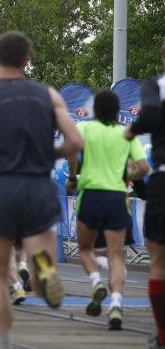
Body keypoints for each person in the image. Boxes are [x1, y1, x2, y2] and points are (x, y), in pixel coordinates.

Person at [0, 31, 83, 349]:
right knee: (39, 258)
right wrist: (45, 153)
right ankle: (43, 267)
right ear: (27, 60)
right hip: (38, 186)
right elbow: (76, 142)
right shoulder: (49, 95)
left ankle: (3, 342)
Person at [66, 90, 148, 330]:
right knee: (116, 257)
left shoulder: (84, 128)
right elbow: (143, 168)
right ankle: (116, 304)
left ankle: (96, 283)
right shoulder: (127, 135)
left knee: (83, 249)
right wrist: (126, 175)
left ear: (95, 111)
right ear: (116, 111)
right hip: (116, 198)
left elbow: (70, 149)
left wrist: (73, 176)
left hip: (90, 195)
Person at [124, 40, 165, 349]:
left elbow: (150, 119)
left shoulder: (157, 86)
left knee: (159, 263)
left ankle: (163, 335)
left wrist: (130, 130)